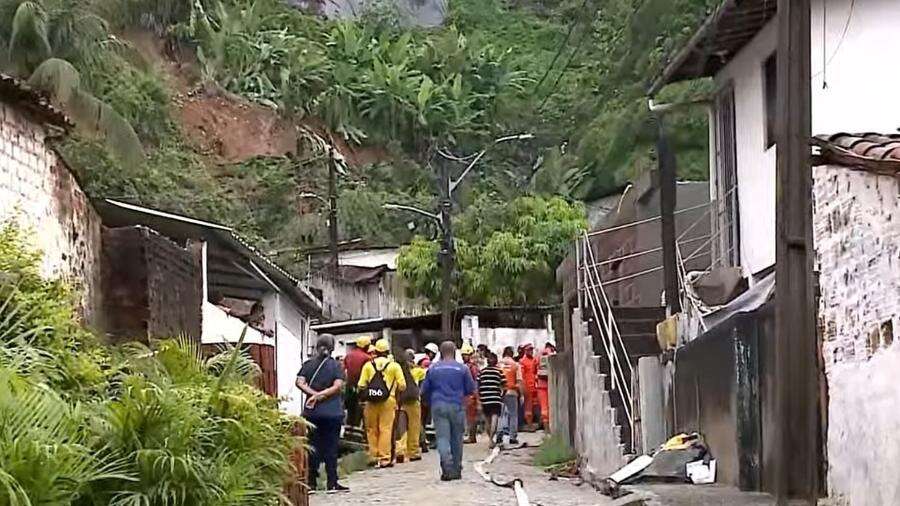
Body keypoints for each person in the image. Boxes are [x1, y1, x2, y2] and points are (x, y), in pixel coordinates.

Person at [296, 334, 349, 492]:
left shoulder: (308, 364)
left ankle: (311, 482)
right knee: (331, 447)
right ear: (332, 347)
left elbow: (299, 382)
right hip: (332, 413)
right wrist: (321, 395)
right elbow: (338, 386)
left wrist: (313, 394)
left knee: (312, 447)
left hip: (312, 413)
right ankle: (332, 482)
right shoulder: (336, 366)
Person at [421, 341, 476, 481]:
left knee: (443, 437)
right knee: (457, 438)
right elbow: (470, 389)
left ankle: (446, 466)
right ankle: (456, 469)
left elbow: (424, 390)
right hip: (457, 405)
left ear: (440, 352)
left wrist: (429, 402)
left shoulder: (433, 369)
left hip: (438, 405)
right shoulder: (463, 369)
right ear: (454, 351)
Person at [358, 339, 406, 468]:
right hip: (388, 400)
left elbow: (361, 385)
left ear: (376, 351)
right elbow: (402, 385)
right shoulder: (394, 366)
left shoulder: (368, 365)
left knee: (371, 429)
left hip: (371, 401)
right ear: (387, 352)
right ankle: (384, 458)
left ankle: (373, 456)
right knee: (386, 429)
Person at [395, 349, 426, 463]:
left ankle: (400, 451)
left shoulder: (395, 368)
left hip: (400, 401)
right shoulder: (416, 370)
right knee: (414, 427)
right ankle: (413, 452)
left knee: (400, 428)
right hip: (413, 400)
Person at [343, 335, 373, 428]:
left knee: (350, 411)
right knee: (359, 412)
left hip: (349, 387)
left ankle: (348, 431)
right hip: (362, 388)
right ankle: (357, 432)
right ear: (366, 346)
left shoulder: (348, 355)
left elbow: (343, 370)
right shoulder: (367, 358)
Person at [477, 352, 504, 448]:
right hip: (495, 398)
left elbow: (478, 385)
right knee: (495, 418)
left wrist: (479, 399)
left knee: (487, 420)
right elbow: (504, 385)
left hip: (484, 399)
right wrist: (502, 395)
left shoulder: (482, 372)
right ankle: (491, 438)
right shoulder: (499, 371)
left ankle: (490, 439)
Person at [498, 346, 522, 445]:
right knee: (513, 415)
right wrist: (522, 395)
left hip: (500, 392)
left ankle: (499, 435)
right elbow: (519, 381)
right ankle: (512, 437)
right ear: (512, 354)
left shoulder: (498, 364)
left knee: (500, 414)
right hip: (512, 392)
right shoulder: (516, 365)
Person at [461, 344, 480, 444]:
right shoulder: (469, 367)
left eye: (465, 355)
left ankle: (471, 436)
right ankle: (471, 436)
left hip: (470, 395)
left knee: (471, 417)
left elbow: (475, 381)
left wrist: (475, 394)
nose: (464, 357)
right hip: (467, 394)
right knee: (470, 416)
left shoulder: (471, 367)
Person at [536, 342, 556, 431]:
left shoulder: (539, 354)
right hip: (551, 384)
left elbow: (534, 366)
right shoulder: (552, 354)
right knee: (551, 406)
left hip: (540, 385)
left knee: (544, 408)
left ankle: (546, 429)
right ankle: (552, 428)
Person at [519, 343, 539, 427]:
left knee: (536, 405)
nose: (531, 351)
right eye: (529, 350)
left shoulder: (534, 360)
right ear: (525, 351)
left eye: (531, 349)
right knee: (528, 407)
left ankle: (537, 423)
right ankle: (529, 424)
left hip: (535, 386)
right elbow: (522, 376)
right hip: (527, 387)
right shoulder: (522, 361)